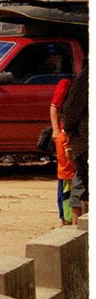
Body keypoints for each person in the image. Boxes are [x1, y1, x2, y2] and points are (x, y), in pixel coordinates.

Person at [61, 60, 88, 225]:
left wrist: (68, 131)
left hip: (86, 141)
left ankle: (79, 239)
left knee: (82, 187)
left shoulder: (87, 76)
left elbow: (71, 110)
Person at [51, 76, 75, 225]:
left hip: (65, 135)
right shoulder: (67, 83)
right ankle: (66, 216)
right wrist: (55, 130)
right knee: (67, 177)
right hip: (64, 136)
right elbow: (54, 106)